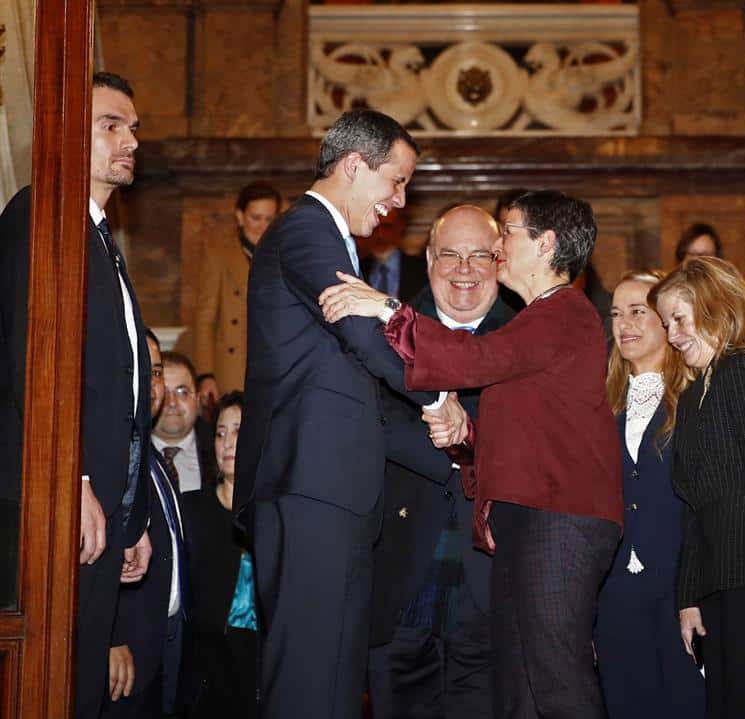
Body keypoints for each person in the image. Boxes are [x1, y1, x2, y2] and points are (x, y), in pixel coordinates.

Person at [320, 189, 624, 718]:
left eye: (507, 233)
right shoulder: (540, 317)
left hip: (559, 520)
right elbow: (521, 434)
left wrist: (386, 307)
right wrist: (466, 433)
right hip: (527, 519)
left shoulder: (565, 312)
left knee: (555, 683)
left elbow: (477, 358)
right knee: (521, 690)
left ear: (545, 243)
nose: (498, 246)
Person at [233, 108, 463, 719]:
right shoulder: (307, 230)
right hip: (312, 492)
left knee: (333, 678)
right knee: (311, 680)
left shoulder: (326, 238)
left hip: (330, 494)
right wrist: (440, 397)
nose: (400, 199)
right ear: (356, 166)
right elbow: (364, 335)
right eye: (397, 180)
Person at [0, 71, 153, 719]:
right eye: (110, 126)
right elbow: (27, 365)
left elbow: (118, 392)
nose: (131, 141)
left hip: (97, 512)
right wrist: (75, 477)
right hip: (50, 504)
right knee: (45, 689)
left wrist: (134, 513)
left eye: (134, 128)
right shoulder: (37, 216)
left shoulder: (98, 238)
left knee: (81, 687)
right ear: (64, 134)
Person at [368, 205, 515, 719]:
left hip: (495, 583)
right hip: (400, 574)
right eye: (450, 254)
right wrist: (457, 453)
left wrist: (466, 440)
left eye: (480, 255)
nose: (464, 269)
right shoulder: (384, 334)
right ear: (428, 258)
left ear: (501, 261)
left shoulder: (526, 338)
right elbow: (374, 426)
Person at [648, 257, 745, 719]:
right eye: (666, 323)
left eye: (679, 318)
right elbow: (695, 508)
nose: (672, 335)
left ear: (713, 307)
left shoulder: (744, 372)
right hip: (714, 585)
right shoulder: (694, 396)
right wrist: (688, 597)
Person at [594, 270, 704, 719]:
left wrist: (697, 591)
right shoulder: (599, 402)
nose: (625, 324)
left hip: (682, 589)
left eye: (638, 311)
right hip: (615, 590)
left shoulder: (698, 397)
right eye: (617, 313)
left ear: (667, 321)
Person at [104, 330, 192, 718]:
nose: (153, 383)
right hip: (124, 654)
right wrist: (112, 637)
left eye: (156, 371)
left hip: (165, 642)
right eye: (143, 367)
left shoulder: (154, 461)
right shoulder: (107, 456)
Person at [182, 391, 259, 719]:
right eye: (220, 433)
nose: (227, 442)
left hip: (261, 674)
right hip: (206, 677)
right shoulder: (190, 509)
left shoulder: (275, 514)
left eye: (239, 431)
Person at [193, 181, 282, 400]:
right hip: (233, 370)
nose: (262, 226)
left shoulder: (283, 256)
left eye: (269, 219)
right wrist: (206, 374)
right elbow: (205, 319)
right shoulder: (219, 255)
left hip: (274, 368)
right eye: (256, 218)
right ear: (240, 216)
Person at [151, 351, 218, 493]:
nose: (172, 402)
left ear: (198, 400)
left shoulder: (220, 449)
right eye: (164, 392)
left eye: (182, 392)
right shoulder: (129, 453)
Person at [359, 209, 428, 302]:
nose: (380, 234)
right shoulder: (356, 269)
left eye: (387, 227)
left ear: (400, 226)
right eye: (375, 228)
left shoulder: (422, 270)